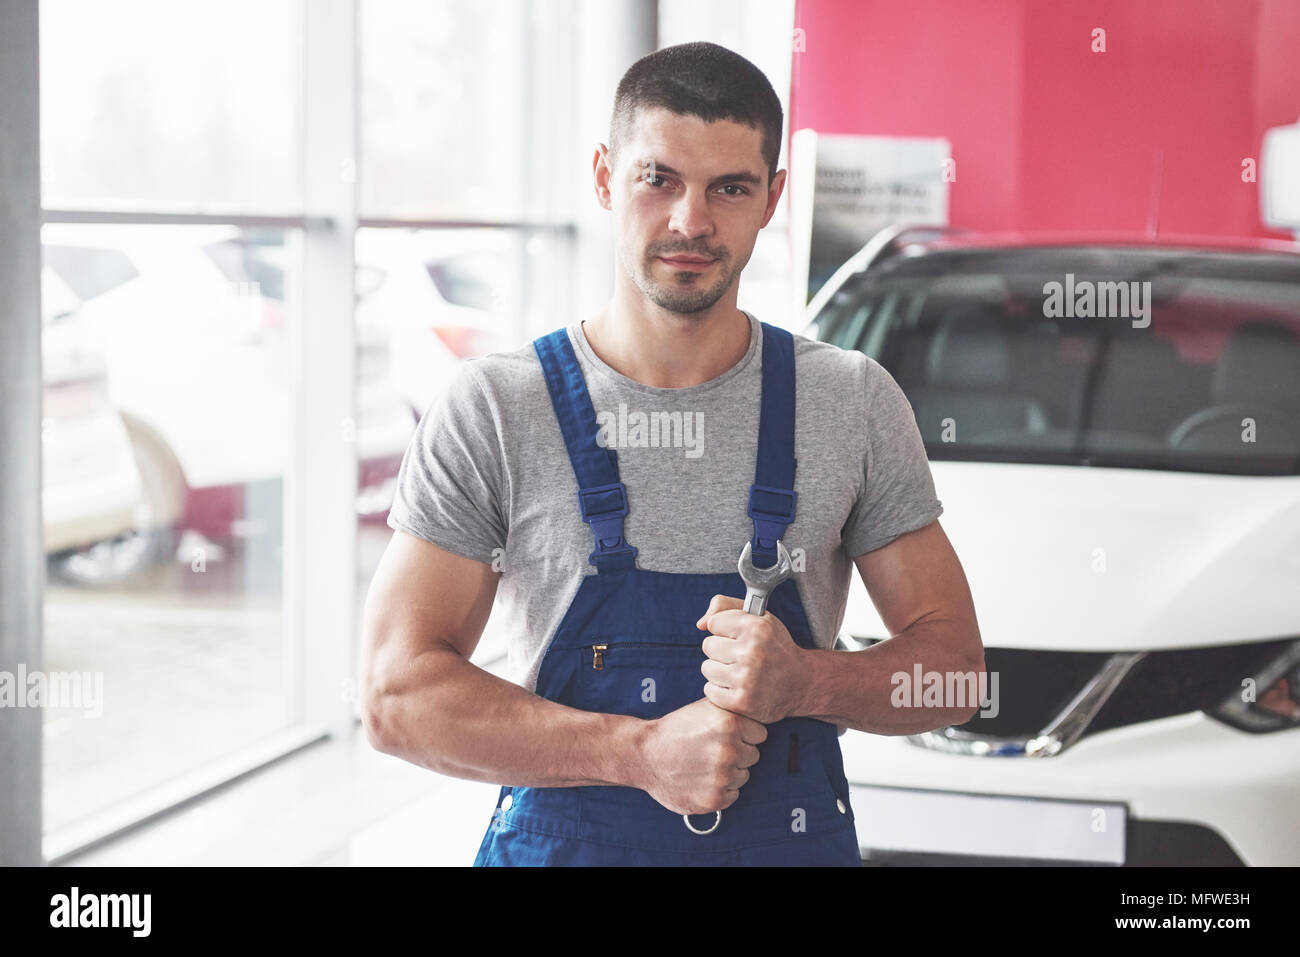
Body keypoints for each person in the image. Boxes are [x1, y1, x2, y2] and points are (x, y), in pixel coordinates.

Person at [360, 41, 984, 866]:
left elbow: (954, 675)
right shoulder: (497, 410)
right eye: (659, 179)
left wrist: (809, 682)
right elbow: (395, 695)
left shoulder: (851, 402)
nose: (691, 220)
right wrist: (638, 752)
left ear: (773, 199)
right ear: (604, 177)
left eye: (730, 187)